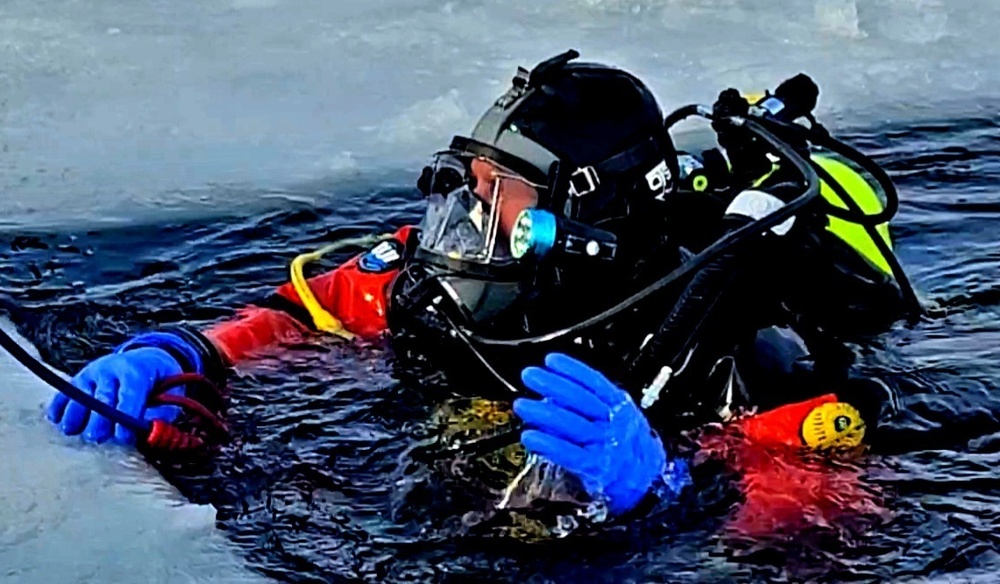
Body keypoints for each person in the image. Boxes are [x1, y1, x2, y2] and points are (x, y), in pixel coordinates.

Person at [45, 50, 917, 531]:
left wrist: (672, 492)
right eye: (471, 187)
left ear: (593, 215)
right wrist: (191, 353)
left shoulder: (737, 338)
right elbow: (308, 310)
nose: (470, 222)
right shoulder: (439, 278)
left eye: (507, 200)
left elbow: (817, 529)